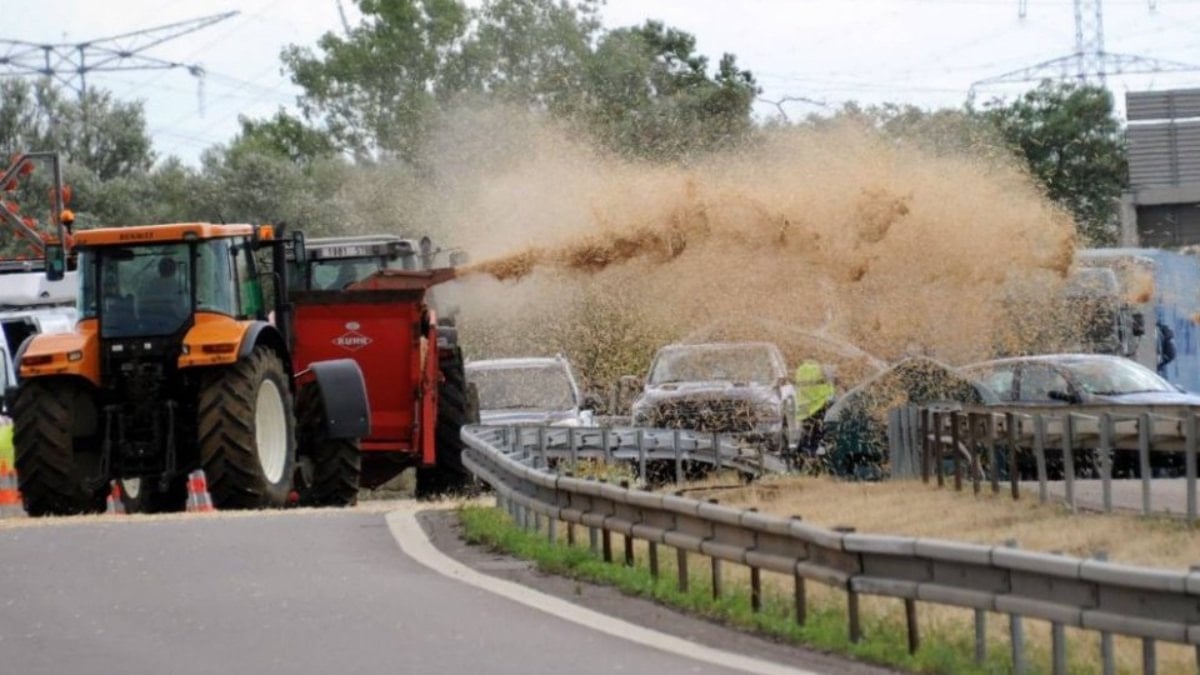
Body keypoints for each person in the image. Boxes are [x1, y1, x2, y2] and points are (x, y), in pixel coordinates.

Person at [794, 360, 835, 455]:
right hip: (818, 403)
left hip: (803, 403)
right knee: (817, 432)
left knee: (805, 431)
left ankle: (800, 455)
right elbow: (828, 381)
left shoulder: (801, 370)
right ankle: (811, 453)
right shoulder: (821, 369)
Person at [138, 256, 188, 331]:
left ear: (159, 269)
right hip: (174, 327)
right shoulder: (178, 286)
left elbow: (141, 308)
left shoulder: (150, 286)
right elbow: (183, 310)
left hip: (149, 327)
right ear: (174, 270)